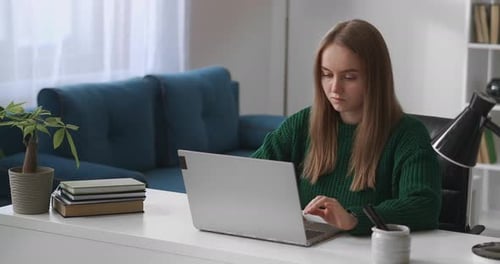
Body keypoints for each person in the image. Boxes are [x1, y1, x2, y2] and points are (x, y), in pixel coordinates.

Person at [251, 19, 441, 236]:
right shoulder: (302, 123)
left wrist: (353, 218)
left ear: (375, 78)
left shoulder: (408, 134)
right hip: (304, 252)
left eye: (349, 77)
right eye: (326, 74)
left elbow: (424, 207)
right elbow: (250, 175)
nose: (335, 88)